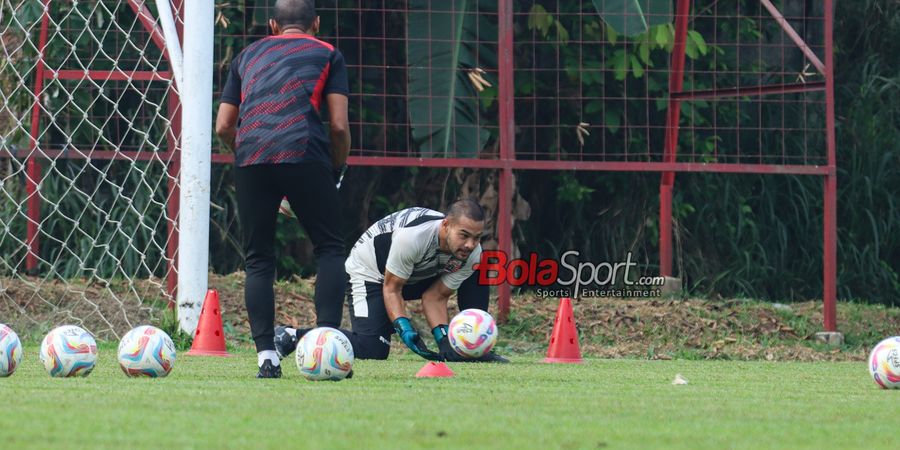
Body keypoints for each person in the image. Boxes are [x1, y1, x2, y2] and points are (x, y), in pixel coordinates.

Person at [214, 0, 351, 378]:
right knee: (329, 248)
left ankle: (266, 359)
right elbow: (338, 126)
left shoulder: (246, 56)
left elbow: (224, 126)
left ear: (272, 24)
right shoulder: (327, 54)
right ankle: (325, 350)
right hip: (304, 153)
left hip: (252, 158)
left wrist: (247, 153)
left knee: (258, 257)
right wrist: (336, 168)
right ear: (316, 23)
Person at [275, 199, 508, 363]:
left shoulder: (472, 252)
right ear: (446, 225)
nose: (470, 244)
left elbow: (435, 296)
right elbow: (392, 288)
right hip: (370, 274)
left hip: (415, 275)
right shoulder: (413, 238)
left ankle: (475, 347)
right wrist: (404, 328)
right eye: (464, 236)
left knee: (477, 268)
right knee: (372, 348)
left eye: (476, 238)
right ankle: (291, 335)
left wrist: (444, 339)